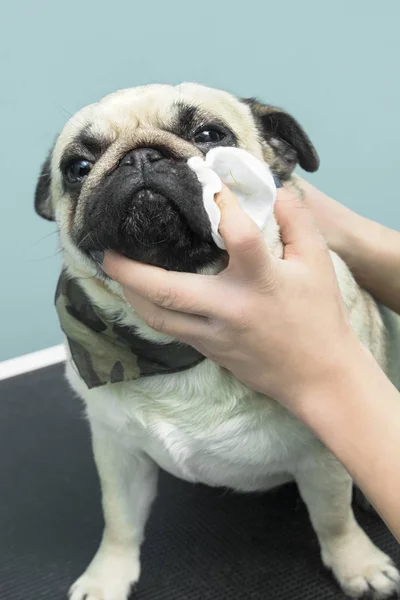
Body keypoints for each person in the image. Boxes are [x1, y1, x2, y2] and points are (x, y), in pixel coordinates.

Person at [102, 178, 400, 541]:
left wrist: (321, 373)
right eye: (81, 168)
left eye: (208, 136)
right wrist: (356, 238)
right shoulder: (90, 344)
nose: (142, 165)